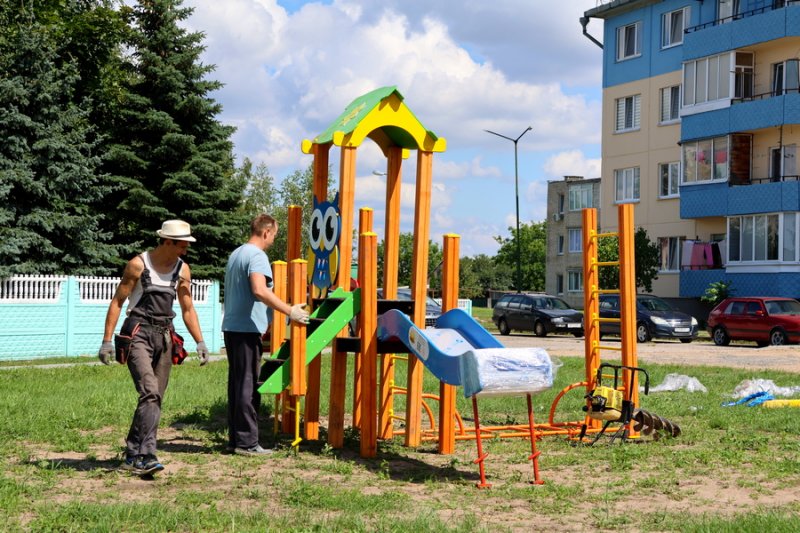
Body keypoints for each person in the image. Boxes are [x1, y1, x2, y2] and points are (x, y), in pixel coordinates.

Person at [98, 219, 209, 475]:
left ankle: (131, 456)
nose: (186, 250)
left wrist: (200, 341)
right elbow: (117, 301)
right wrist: (106, 341)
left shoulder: (183, 270)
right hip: (138, 332)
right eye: (182, 245)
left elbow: (187, 308)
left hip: (165, 336)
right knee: (149, 391)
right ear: (167, 241)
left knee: (155, 397)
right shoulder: (139, 265)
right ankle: (147, 455)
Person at [222, 214, 309, 456]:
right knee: (248, 386)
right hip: (246, 328)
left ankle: (236, 440)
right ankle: (247, 443)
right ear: (266, 232)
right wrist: (289, 310)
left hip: (232, 327)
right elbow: (259, 290)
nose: (273, 241)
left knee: (238, 385)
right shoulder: (257, 256)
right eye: (274, 236)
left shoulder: (237, 253)